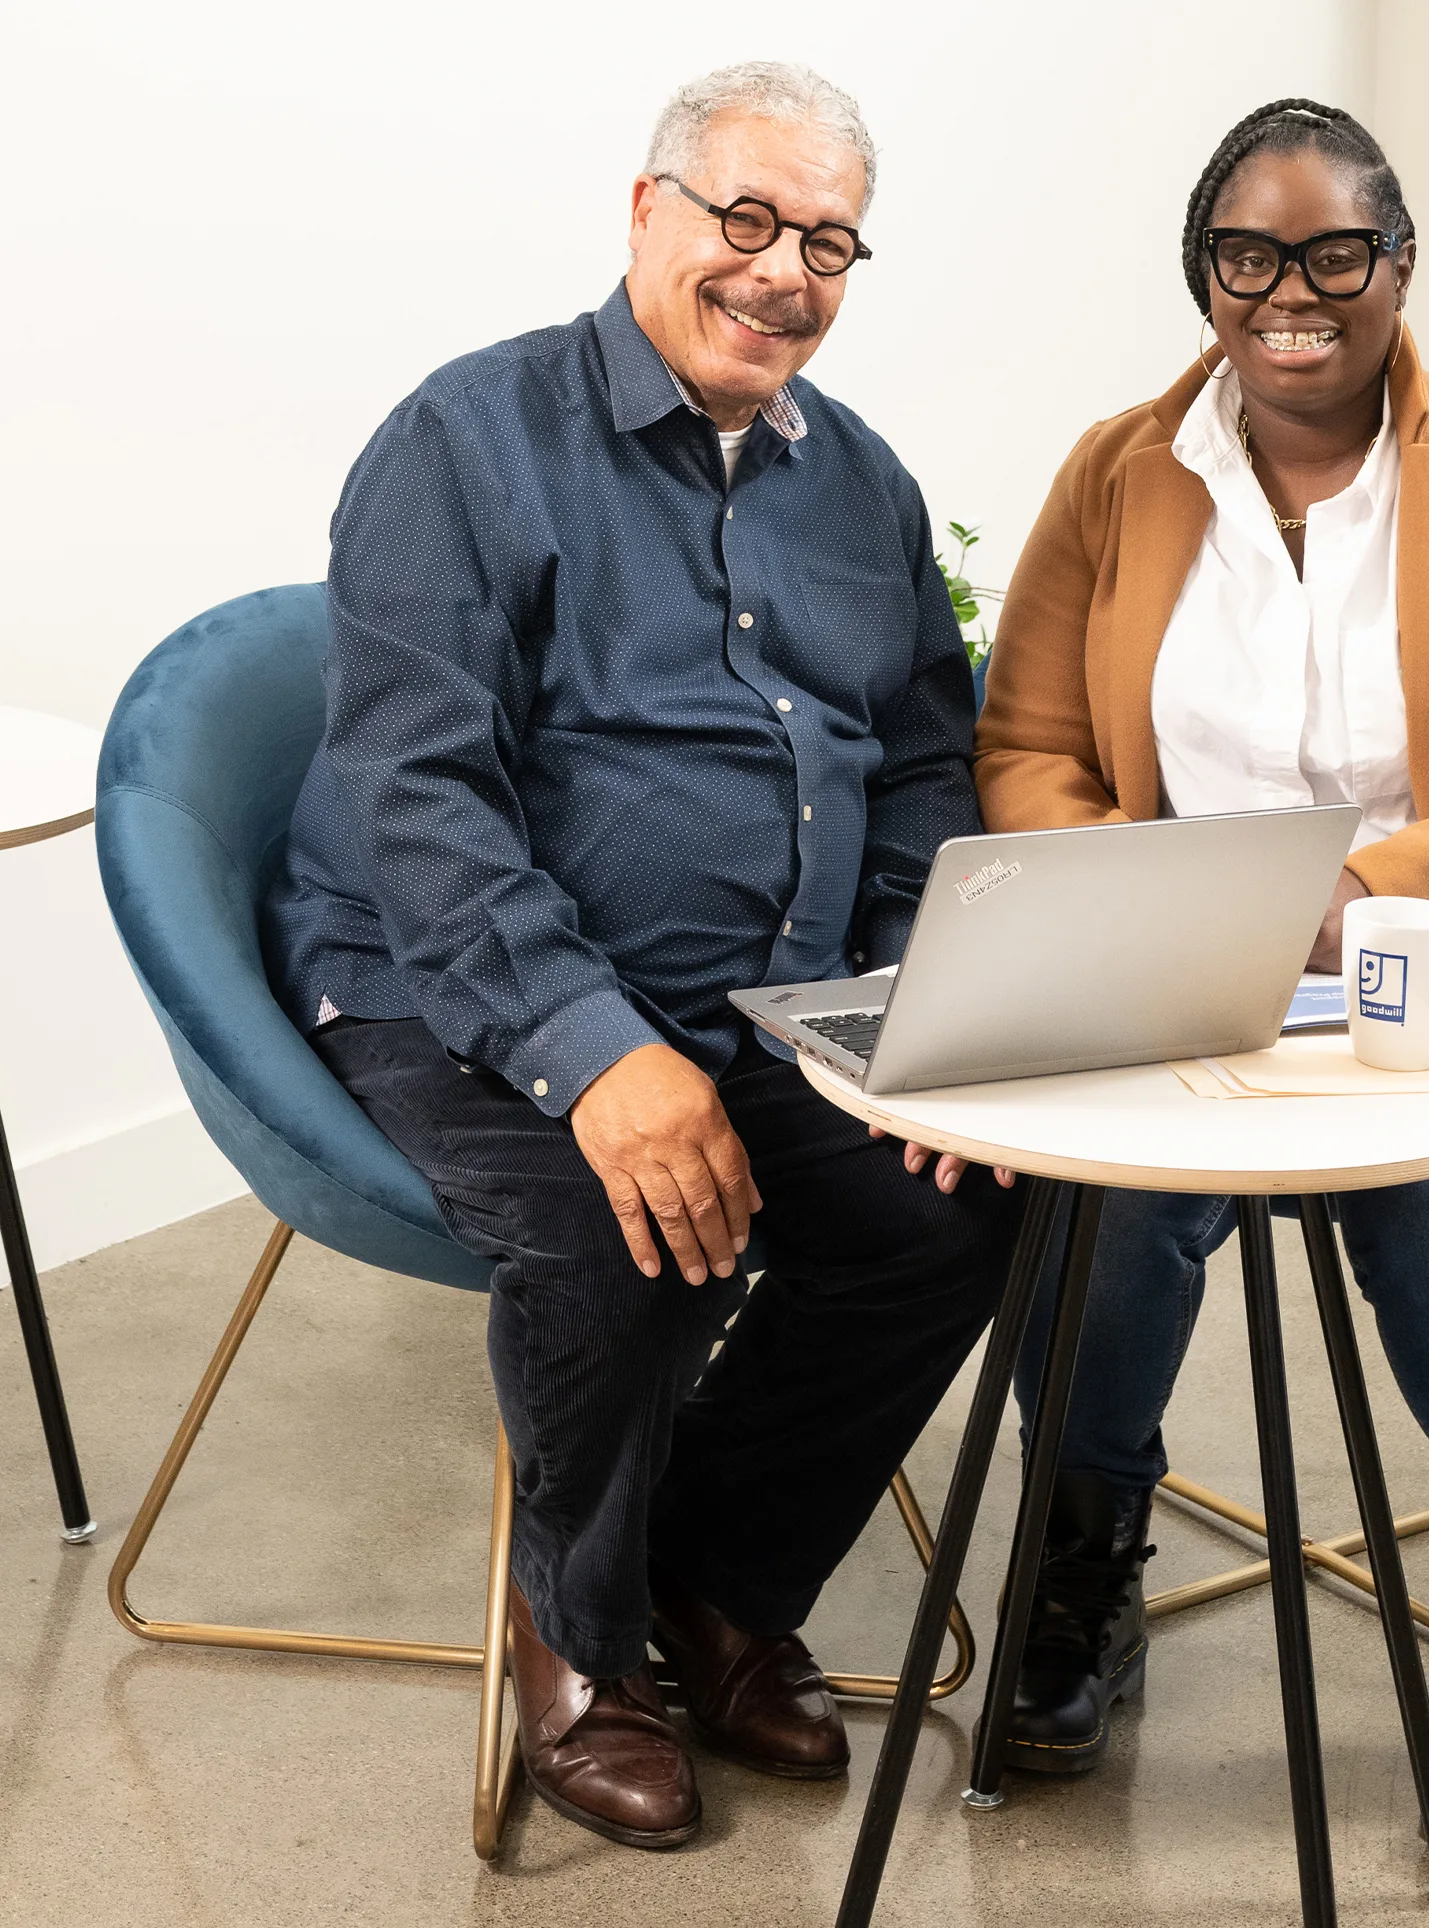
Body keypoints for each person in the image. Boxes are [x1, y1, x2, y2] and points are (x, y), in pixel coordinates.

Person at [261, 62, 1022, 1852]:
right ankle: (579, 1639)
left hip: (774, 992)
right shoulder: (467, 440)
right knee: (635, 1231)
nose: (782, 273)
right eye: (745, 220)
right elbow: (418, 796)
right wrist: (595, 1049)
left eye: (827, 241)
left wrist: (917, 992)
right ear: (644, 215)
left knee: (961, 1207)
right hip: (455, 978)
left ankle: (711, 1577)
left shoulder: (865, 487)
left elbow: (924, 761)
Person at [973, 97, 1429, 1875]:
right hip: (1180, 974)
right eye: (1250, 256)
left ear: (1397, 269)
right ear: (1205, 275)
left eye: (1335, 254)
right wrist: (1147, 907)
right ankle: (1080, 1578)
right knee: (1096, 1210)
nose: (1291, 293)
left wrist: (1362, 901)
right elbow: (1024, 746)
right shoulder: (1115, 473)